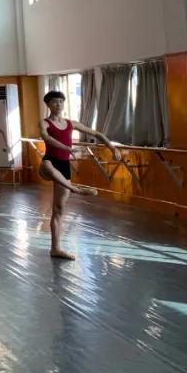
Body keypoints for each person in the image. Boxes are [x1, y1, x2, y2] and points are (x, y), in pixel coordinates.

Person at [39, 90, 116, 260]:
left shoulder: (71, 123)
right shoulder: (44, 123)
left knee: (58, 209)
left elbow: (96, 134)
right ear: (48, 105)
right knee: (47, 165)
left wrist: (112, 148)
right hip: (49, 163)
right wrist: (67, 148)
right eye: (55, 102)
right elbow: (46, 137)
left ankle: (55, 249)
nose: (58, 104)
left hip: (64, 166)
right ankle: (75, 189)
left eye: (61, 101)